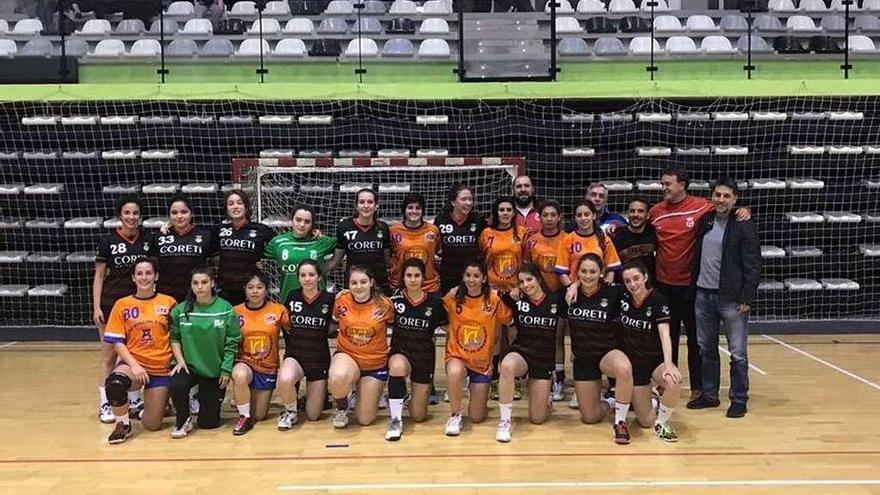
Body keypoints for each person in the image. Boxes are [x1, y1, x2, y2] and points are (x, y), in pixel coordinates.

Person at [650, 169, 749, 400]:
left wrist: (743, 210)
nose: (664, 188)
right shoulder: (655, 212)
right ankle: (666, 382)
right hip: (664, 286)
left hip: (691, 286)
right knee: (667, 338)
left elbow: (726, 208)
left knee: (697, 341)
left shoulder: (701, 207)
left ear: (682, 184)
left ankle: (699, 387)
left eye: (668, 184)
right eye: (662, 184)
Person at [688, 177, 761, 418]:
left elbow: (753, 265)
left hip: (731, 299)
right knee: (706, 349)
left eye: (726, 196)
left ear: (735, 199)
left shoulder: (744, 224)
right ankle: (710, 395)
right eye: (717, 195)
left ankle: (739, 398)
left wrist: (746, 298)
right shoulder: (706, 221)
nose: (721, 199)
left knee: (738, 352)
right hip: (703, 295)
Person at [102, 257, 177, 444]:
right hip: (134, 364)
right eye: (140, 274)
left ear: (156, 276)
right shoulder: (122, 304)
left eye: (149, 273)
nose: (144, 277)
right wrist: (134, 365)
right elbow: (117, 342)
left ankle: (147, 408)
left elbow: (177, 338)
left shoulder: (169, 303)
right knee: (116, 383)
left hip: (161, 368)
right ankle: (123, 424)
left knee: (151, 425)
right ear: (133, 278)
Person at [93, 195, 153, 423]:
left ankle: (135, 400)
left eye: (135, 213)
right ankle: (105, 403)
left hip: (137, 306)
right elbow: (99, 276)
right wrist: (96, 306)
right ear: (120, 215)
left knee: (135, 352)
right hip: (110, 304)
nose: (131, 217)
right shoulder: (107, 241)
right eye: (127, 213)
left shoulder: (147, 239)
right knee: (108, 356)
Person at [564, 254, 632, 444]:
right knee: (589, 417)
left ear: (601, 273)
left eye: (593, 271)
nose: (588, 276)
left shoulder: (613, 292)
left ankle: (620, 421)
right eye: (583, 272)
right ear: (577, 273)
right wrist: (574, 285)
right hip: (583, 360)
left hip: (606, 353)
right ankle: (611, 401)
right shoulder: (569, 294)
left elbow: (638, 292)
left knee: (624, 368)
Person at [442, 259, 513, 436]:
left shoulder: (494, 299)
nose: (471, 280)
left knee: (477, 417)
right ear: (462, 277)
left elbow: (509, 320)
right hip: (457, 356)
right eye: (467, 275)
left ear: (483, 279)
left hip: (481, 363)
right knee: (455, 372)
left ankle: (475, 395)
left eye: (476, 276)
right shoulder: (452, 297)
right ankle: (455, 414)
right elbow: (436, 314)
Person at [168, 266, 241, 438]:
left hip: (213, 370)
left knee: (208, 424)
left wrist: (226, 369)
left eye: (204, 282)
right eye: (195, 283)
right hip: (189, 366)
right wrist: (179, 360)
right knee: (176, 383)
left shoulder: (226, 309)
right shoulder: (180, 310)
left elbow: (232, 343)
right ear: (191, 285)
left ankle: (201, 398)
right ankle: (183, 419)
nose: (200, 287)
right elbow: (175, 338)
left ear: (212, 283)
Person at [495, 264, 563, 442]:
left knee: (537, 419)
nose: (525, 285)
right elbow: (489, 295)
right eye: (521, 282)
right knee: (507, 366)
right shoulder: (516, 299)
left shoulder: (556, 300)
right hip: (522, 353)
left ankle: (546, 394)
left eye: (529, 279)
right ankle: (504, 421)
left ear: (538, 278)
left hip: (543, 360)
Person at [618, 261, 682, 443]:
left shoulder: (657, 299)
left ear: (645, 277)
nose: (632, 284)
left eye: (636, 278)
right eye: (628, 281)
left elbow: (665, 334)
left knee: (673, 380)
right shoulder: (623, 297)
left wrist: (669, 365)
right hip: (634, 366)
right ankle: (652, 399)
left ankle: (662, 422)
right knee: (645, 422)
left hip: (654, 361)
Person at [386, 259, 448, 441]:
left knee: (418, 416)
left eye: (417, 276)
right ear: (403, 278)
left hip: (424, 357)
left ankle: (403, 396)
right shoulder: (394, 302)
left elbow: (450, 329)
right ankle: (396, 420)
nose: (413, 280)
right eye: (409, 276)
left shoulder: (435, 303)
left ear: (423, 278)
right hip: (401, 353)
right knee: (396, 367)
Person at [329, 265, 394, 428]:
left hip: (374, 363)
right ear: (348, 285)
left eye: (363, 282)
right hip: (348, 355)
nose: (359, 287)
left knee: (365, 420)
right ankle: (342, 408)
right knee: (338, 375)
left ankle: (363, 393)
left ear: (371, 282)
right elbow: (333, 323)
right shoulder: (341, 300)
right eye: (354, 283)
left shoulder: (385, 305)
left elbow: (398, 329)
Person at [277, 260, 337, 428]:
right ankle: (290, 411)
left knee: (313, 415)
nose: (307, 278)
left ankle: (308, 399)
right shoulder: (292, 296)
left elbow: (333, 327)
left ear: (319, 277)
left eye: (311, 274)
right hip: (296, 355)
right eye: (303, 275)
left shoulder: (329, 299)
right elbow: (287, 327)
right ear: (298, 278)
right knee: (285, 378)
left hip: (319, 359)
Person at [230, 272, 290, 435]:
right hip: (245, 362)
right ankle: (243, 415)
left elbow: (293, 334)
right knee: (240, 375)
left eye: (259, 287)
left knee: (259, 415)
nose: (255, 291)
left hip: (268, 368)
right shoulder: (235, 312)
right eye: (250, 287)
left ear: (266, 290)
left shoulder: (278, 310)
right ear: (245, 290)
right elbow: (229, 341)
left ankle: (244, 401)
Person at [523, 200, 567, 401]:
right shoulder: (532, 241)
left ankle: (559, 379)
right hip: (539, 295)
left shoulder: (567, 239)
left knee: (557, 337)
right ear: (539, 217)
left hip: (561, 293)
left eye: (553, 215)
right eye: (545, 215)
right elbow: (528, 268)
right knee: (540, 337)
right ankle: (540, 376)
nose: (549, 219)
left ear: (559, 217)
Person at [264, 204, 337, 303]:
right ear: (292, 220)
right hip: (288, 300)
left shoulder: (321, 241)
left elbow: (345, 244)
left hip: (317, 302)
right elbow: (254, 253)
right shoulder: (278, 242)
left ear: (312, 224)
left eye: (307, 222)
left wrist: (327, 266)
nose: (302, 225)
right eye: (298, 220)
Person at [213, 190, 275, 306]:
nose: (235, 206)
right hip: (225, 290)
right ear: (226, 209)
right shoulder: (218, 230)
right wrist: (169, 227)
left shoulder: (261, 230)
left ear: (246, 207)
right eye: (231, 204)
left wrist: (313, 232)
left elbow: (282, 244)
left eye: (239, 203)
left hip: (251, 291)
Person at [327, 188, 392, 295]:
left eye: (370, 202)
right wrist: (315, 271)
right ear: (356, 206)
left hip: (380, 285)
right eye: (361, 202)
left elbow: (387, 261)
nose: (366, 206)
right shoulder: (344, 227)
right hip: (354, 285)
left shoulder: (383, 228)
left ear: (376, 206)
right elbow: (336, 260)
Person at [156, 195, 218, 303]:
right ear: (169, 215)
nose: (179, 216)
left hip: (196, 295)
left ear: (191, 213)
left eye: (184, 212)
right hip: (166, 296)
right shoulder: (159, 236)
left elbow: (216, 264)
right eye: (174, 213)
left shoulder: (205, 235)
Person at [434, 184, 486, 294]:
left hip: (471, 276)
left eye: (470, 199)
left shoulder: (478, 220)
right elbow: (436, 247)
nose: (468, 203)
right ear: (453, 202)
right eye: (464, 199)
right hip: (448, 276)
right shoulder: (441, 220)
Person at [556, 200, 621, 286]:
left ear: (593, 216)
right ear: (575, 218)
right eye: (579, 215)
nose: (583, 218)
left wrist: (606, 289)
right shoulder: (567, 240)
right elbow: (561, 271)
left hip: (599, 289)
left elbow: (611, 268)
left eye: (586, 214)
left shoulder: (604, 239)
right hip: (575, 289)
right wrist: (571, 288)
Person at [388, 193, 442, 293]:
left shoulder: (433, 230)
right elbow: (387, 255)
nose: (414, 211)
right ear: (404, 210)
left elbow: (437, 251)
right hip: (400, 286)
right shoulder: (393, 231)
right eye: (410, 208)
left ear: (423, 211)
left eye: (418, 208)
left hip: (428, 287)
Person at [480, 196, 527, 292]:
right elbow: (481, 260)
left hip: (515, 289)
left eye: (509, 210)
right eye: (501, 210)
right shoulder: (486, 233)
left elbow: (526, 261)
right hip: (491, 289)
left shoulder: (521, 231)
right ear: (496, 213)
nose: (505, 213)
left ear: (513, 213)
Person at [611, 197, 657, 284]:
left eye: (640, 211)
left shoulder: (654, 233)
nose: (635, 215)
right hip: (624, 286)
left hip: (648, 287)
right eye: (632, 211)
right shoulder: (617, 235)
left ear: (647, 215)